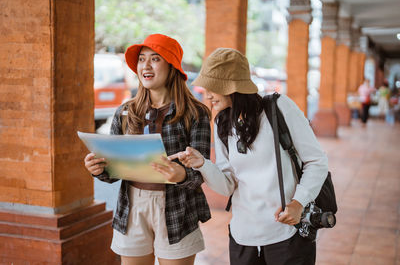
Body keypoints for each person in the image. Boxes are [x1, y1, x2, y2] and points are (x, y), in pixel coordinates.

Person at [168, 48, 329, 265]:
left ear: (231, 85)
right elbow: (227, 186)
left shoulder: (278, 108)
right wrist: (202, 164)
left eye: (213, 87)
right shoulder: (222, 123)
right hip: (243, 237)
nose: (207, 95)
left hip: (287, 233)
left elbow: (316, 161)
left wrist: (299, 203)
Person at [84, 34, 212, 265]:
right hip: (132, 207)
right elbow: (113, 171)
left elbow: (202, 171)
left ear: (172, 66)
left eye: (155, 59)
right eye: (142, 59)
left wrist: (181, 174)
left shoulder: (195, 113)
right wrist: (98, 170)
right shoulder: (125, 112)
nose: (146, 65)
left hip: (178, 209)